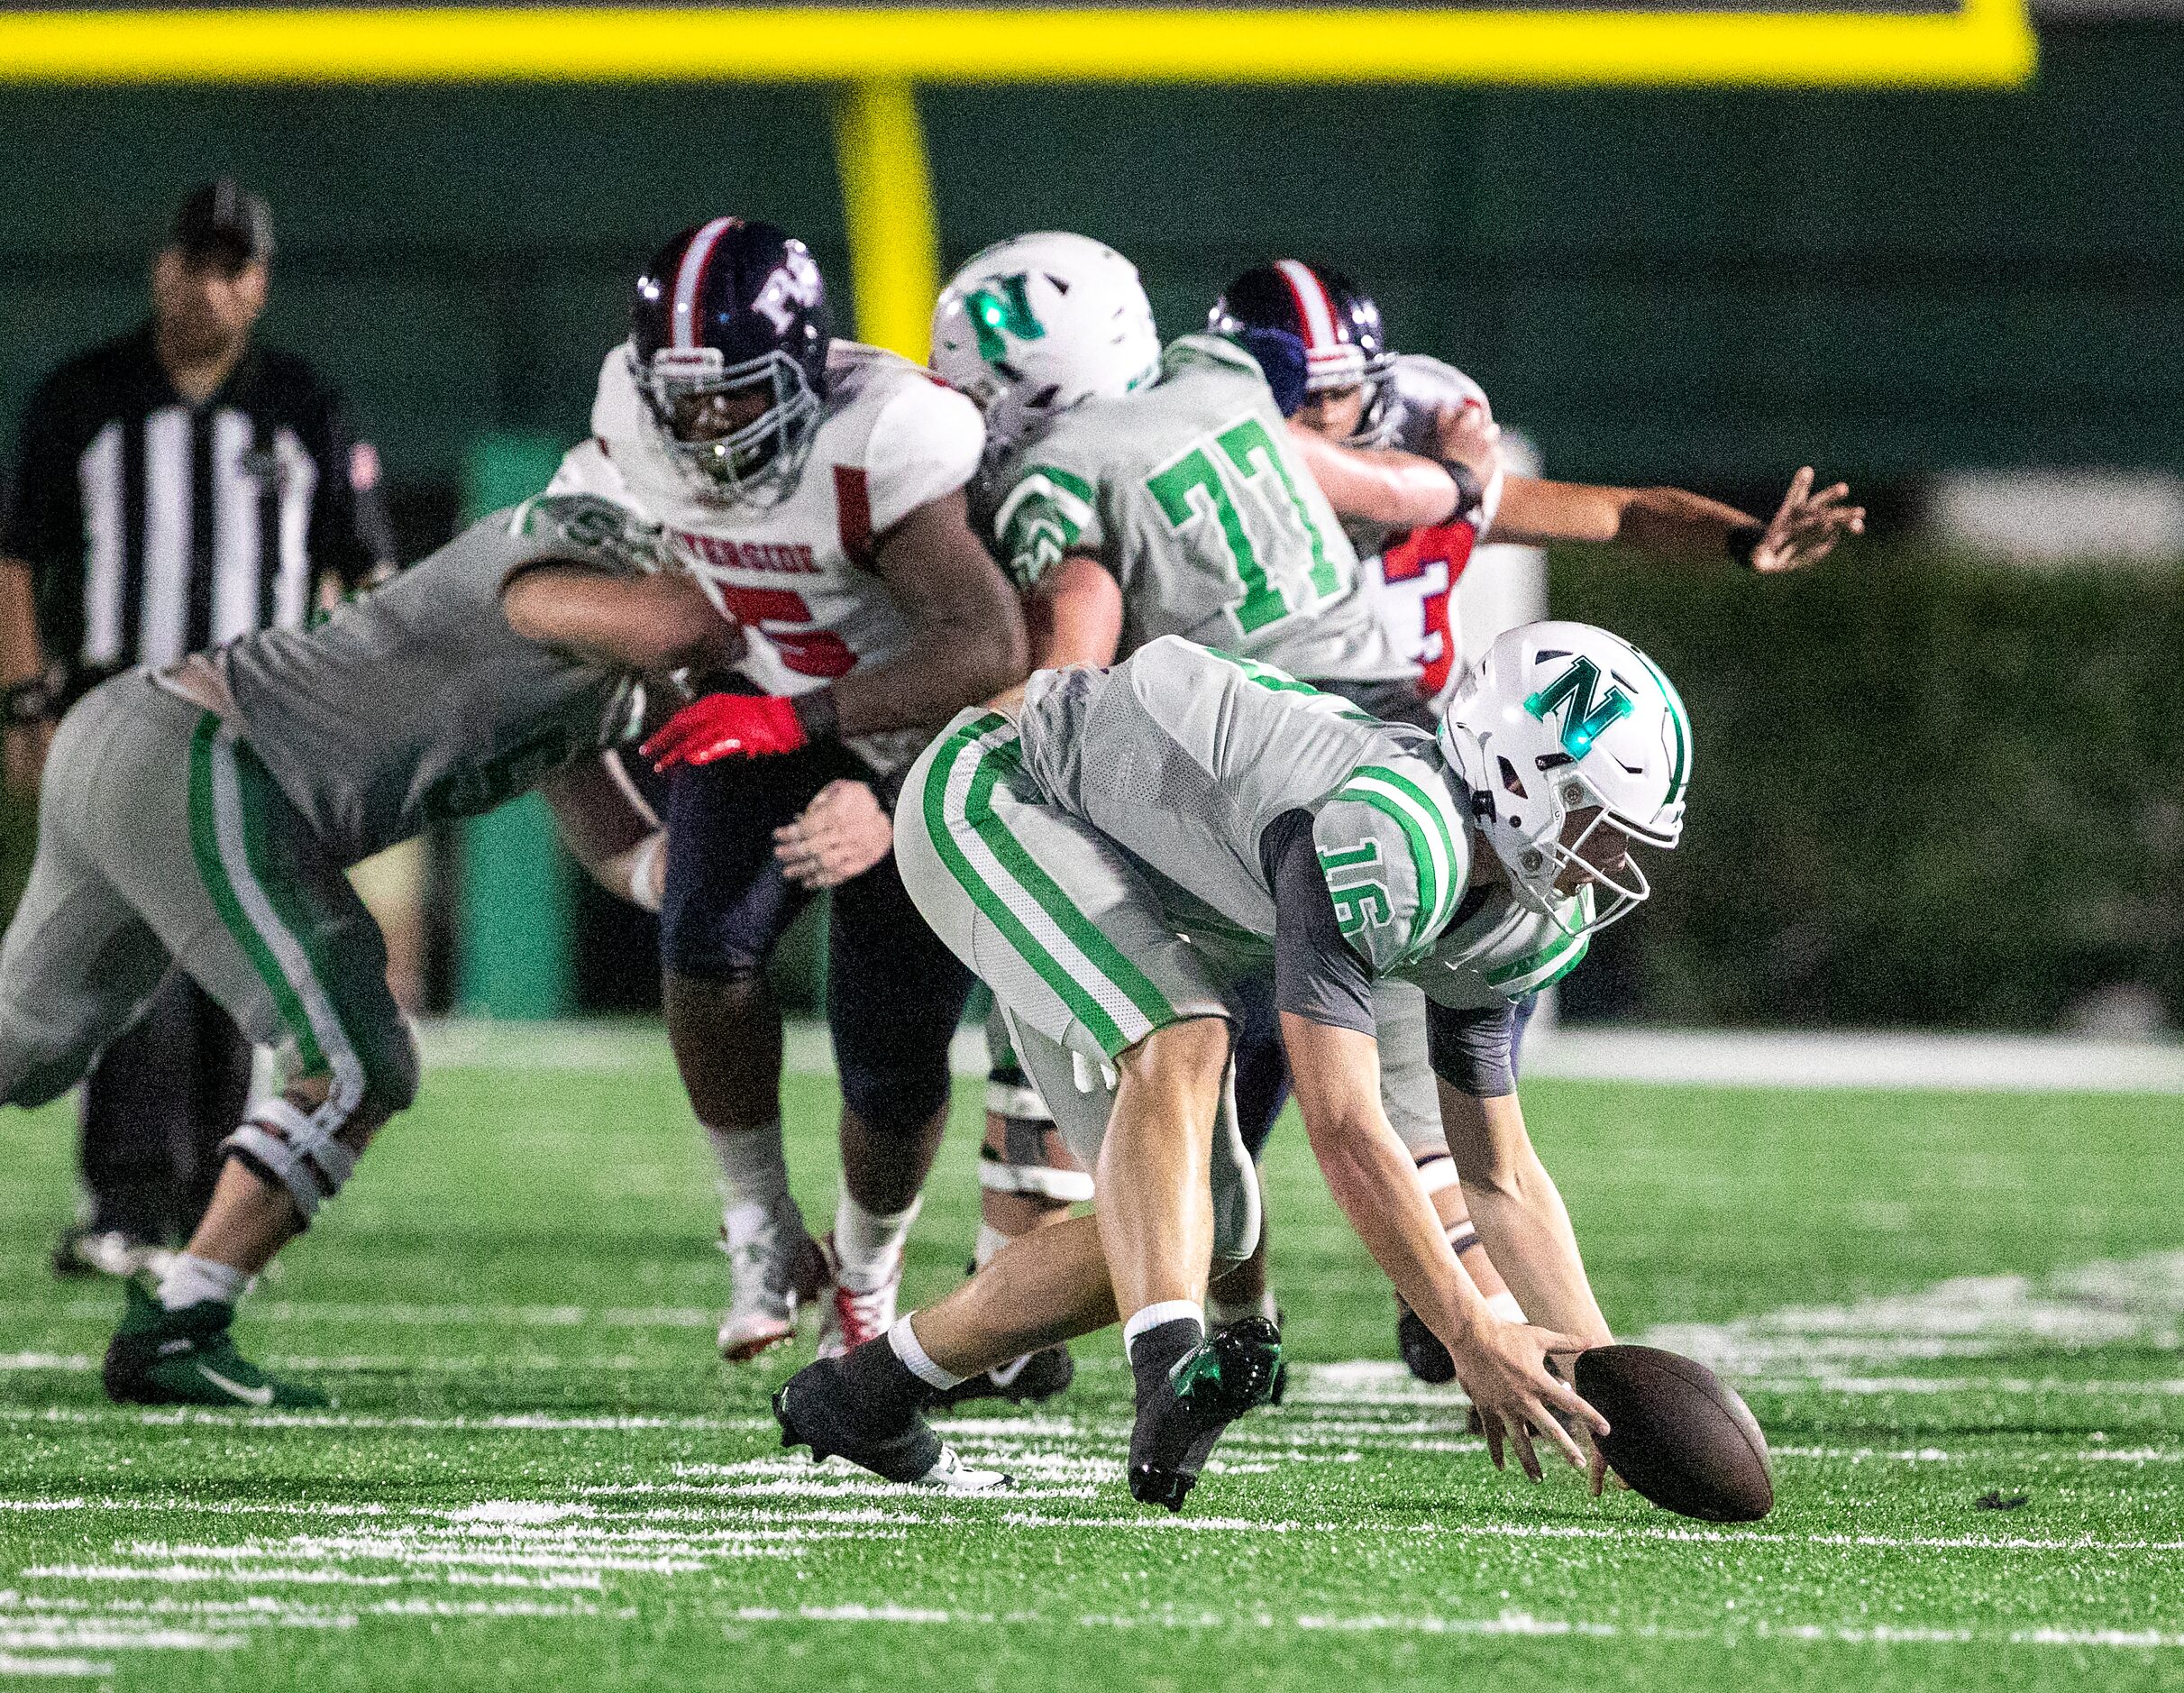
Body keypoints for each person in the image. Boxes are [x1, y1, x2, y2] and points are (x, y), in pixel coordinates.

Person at [0, 494, 729, 1404]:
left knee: (18, 1051)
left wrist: (732, 872)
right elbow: (682, 625)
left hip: (137, 745)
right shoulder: (568, 569)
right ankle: (180, 1320)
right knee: (358, 1058)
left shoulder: (600, 683)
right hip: (204, 756)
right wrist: (794, 638)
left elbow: (614, 842)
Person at [775, 625, 1685, 1505]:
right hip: (1003, 787)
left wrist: (1599, 1381)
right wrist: (1468, 1329)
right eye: (1597, 821)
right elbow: (1342, 1127)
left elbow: (1501, 1174)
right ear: (1514, 780)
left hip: (1107, 859)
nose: (1611, 857)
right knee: (1184, 1033)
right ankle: (1167, 1369)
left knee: (1206, 1230)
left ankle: (863, 1397)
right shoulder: (1394, 833)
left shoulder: (1515, 914)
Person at [1196, 258, 1866, 1380]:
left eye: (1338, 392)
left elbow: (1618, 513)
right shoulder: (1209, 487)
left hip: (1395, 795)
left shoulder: (1423, 477)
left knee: (1428, 1079)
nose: (1323, 418)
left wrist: (1740, 539)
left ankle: (1474, 1315)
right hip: (1240, 801)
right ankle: (1217, 1321)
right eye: (1297, 395)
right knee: (1216, 1115)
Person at [921, 233, 1500, 1400]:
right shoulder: (1246, 426)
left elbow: (1061, 682)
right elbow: (1452, 494)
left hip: (1241, 790)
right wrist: (1459, 484)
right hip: (1371, 768)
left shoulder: (1075, 465)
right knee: (1330, 1077)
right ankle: (1438, 1305)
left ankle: (1365, 1309)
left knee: (1162, 1044)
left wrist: (961, 751)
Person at [553, 217, 1026, 1364]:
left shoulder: (881, 442)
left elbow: (990, 645)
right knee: (704, 949)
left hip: (929, 733)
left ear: (803, 370)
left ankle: (864, 1274)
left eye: (737, 394)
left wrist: (852, 760)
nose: (708, 422)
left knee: (889, 1047)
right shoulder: (631, 417)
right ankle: (760, 1225)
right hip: (773, 704)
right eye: (688, 398)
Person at [0, 178, 398, 1278]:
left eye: (233, 268)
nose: (210, 288)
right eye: (194, 263)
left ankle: (203, 1210)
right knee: (129, 960)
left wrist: (345, 710)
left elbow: (368, 572)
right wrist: (26, 707)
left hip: (258, 720)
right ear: (161, 267)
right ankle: (126, 1202)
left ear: (257, 285)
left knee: (238, 965)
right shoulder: (84, 397)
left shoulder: (303, 405)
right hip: (123, 713)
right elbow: (14, 558)